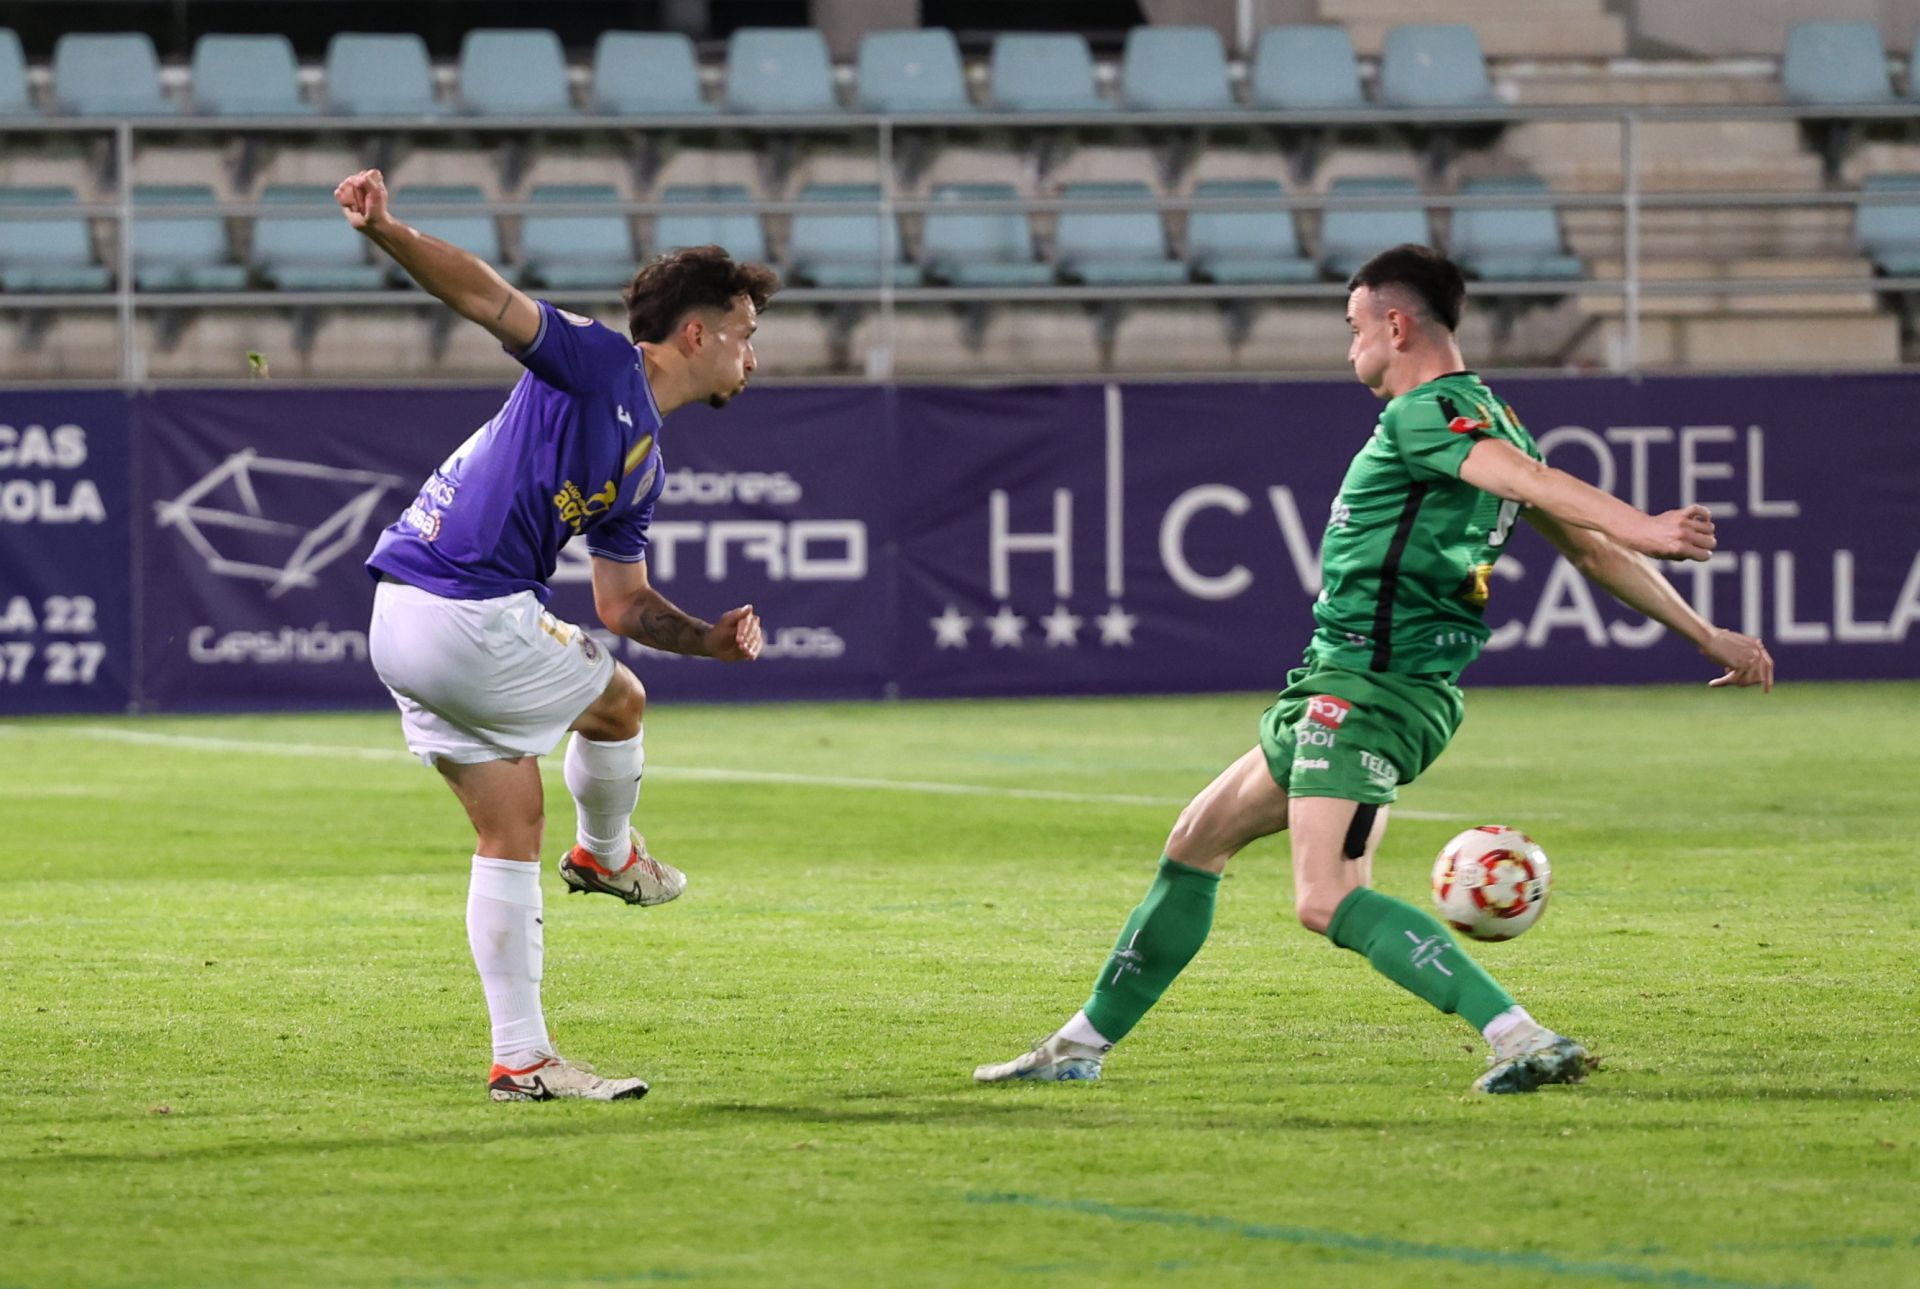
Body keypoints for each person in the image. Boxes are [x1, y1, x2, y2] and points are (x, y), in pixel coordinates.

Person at [974, 244, 1775, 1094]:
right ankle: (1079, 1045)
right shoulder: (1488, 414)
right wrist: (1705, 631)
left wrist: (1648, 526)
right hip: (1334, 684)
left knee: (1325, 898)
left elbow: (1536, 486)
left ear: (1396, 325)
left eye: (1353, 327)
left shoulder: (1427, 414)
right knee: (1194, 842)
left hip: (1369, 692)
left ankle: (1519, 1034)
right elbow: (1587, 550)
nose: (1348, 345)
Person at [335, 168, 778, 1102]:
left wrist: (710, 639)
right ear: (695, 334)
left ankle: (521, 1058)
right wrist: (389, 232)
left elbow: (624, 607)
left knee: (509, 827)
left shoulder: (644, 465)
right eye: (744, 335)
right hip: (460, 606)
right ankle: (607, 854)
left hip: (403, 618)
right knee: (618, 702)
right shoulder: (599, 363)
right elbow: (485, 296)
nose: (752, 355)